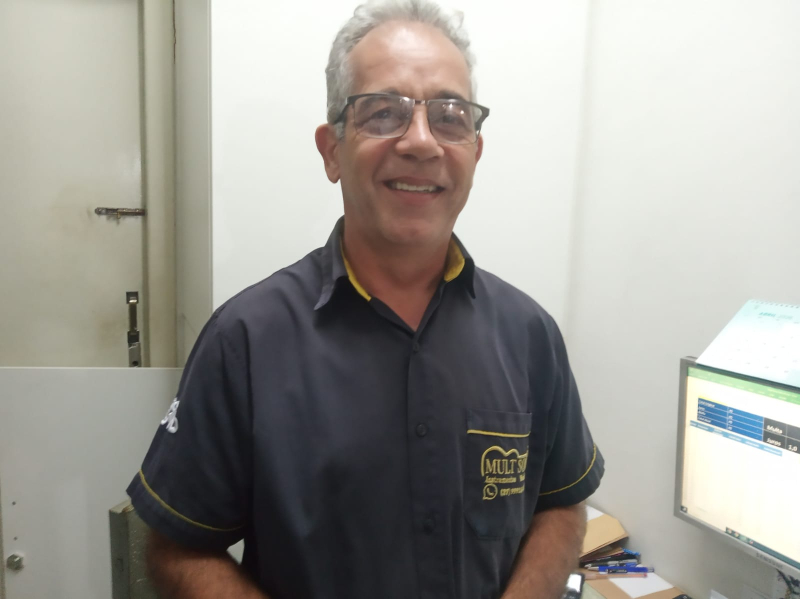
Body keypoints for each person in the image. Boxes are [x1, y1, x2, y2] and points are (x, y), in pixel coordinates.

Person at [126, 0, 604, 597]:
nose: (422, 142)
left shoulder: (529, 336)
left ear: (475, 153)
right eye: (384, 113)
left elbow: (561, 501)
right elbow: (177, 548)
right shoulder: (245, 340)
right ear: (332, 150)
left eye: (450, 117)